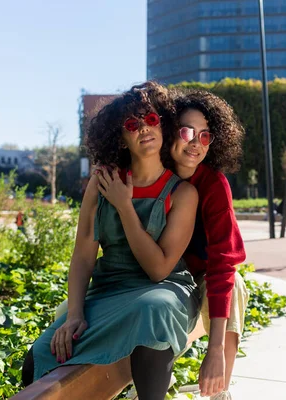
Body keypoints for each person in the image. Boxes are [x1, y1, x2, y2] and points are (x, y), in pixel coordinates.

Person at [21, 82, 201, 400]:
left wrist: (124, 206)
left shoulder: (183, 193)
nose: (143, 128)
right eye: (132, 124)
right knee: (39, 356)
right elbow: (83, 258)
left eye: (150, 119)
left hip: (164, 290)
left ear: (164, 123)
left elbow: (158, 269)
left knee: (153, 310)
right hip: (109, 292)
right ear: (121, 137)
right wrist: (75, 313)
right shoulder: (101, 183)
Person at [169, 89, 248, 400]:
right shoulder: (151, 174)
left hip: (198, 275)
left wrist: (214, 349)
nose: (195, 143)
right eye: (187, 131)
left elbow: (222, 263)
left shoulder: (213, 184)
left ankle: (218, 390)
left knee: (235, 287)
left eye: (205, 136)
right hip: (157, 274)